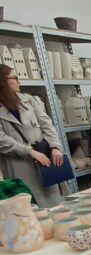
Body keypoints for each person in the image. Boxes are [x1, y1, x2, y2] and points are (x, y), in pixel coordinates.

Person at [0, 64, 64, 207]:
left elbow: (47, 124)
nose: (19, 81)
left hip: (43, 159)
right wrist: (29, 151)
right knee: (30, 205)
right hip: (18, 164)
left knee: (55, 203)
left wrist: (55, 147)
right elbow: (2, 140)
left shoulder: (29, 100)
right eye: (15, 78)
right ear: (2, 81)